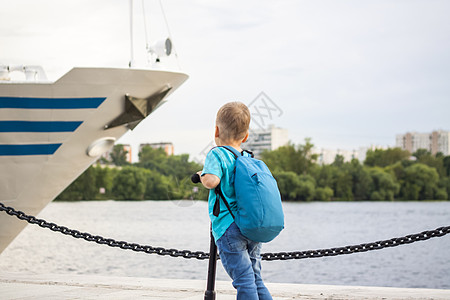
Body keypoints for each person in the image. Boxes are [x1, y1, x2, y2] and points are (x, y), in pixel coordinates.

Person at [197, 102, 272, 300]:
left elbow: (212, 180)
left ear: (216, 130)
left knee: (244, 281)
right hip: (250, 226)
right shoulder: (248, 157)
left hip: (229, 228)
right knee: (255, 279)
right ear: (246, 136)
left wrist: (202, 175)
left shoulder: (217, 154)